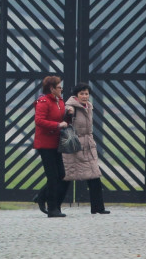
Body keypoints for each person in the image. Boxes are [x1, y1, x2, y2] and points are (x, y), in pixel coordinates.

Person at [63, 83, 110, 214]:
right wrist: (68, 113)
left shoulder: (88, 106)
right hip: (75, 146)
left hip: (88, 146)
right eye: (82, 94)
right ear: (76, 95)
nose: (84, 96)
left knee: (94, 176)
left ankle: (98, 208)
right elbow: (65, 121)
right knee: (66, 176)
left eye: (86, 93)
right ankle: (43, 197)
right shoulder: (71, 107)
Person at [33, 75, 70, 218]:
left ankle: (42, 196)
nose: (61, 88)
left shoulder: (59, 101)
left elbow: (60, 119)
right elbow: (39, 120)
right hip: (45, 144)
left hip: (57, 143)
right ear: (52, 88)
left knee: (61, 175)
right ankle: (53, 208)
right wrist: (56, 125)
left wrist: (68, 116)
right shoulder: (43, 101)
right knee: (53, 176)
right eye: (59, 86)